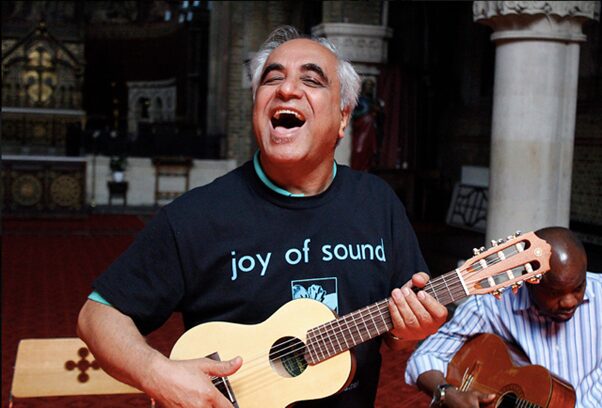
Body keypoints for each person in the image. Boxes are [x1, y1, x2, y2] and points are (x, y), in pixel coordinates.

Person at [77, 25, 448, 408]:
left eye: (311, 80)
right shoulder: (197, 215)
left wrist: (414, 328)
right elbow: (97, 316)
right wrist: (158, 374)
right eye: (272, 80)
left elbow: (399, 332)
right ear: (257, 106)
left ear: (342, 118)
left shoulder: (377, 203)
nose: (286, 90)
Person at [405, 226, 602, 408]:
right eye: (554, 292)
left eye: (578, 287)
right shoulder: (490, 307)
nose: (569, 301)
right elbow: (425, 355)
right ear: (528, 279)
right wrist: (447, 393)